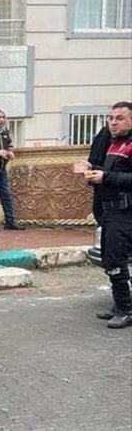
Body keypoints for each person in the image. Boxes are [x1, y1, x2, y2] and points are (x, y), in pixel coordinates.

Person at [83, 101, 132, 329]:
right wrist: (91, 170)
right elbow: (107, 172)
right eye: (111, 118)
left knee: (115, 261)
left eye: (119, 118)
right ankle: (119, 304)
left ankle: (126, 309)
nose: (113, 122)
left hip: (125, 212)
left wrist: (105, 177)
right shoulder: (114, 144)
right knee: (109, 260)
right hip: (109, 211)